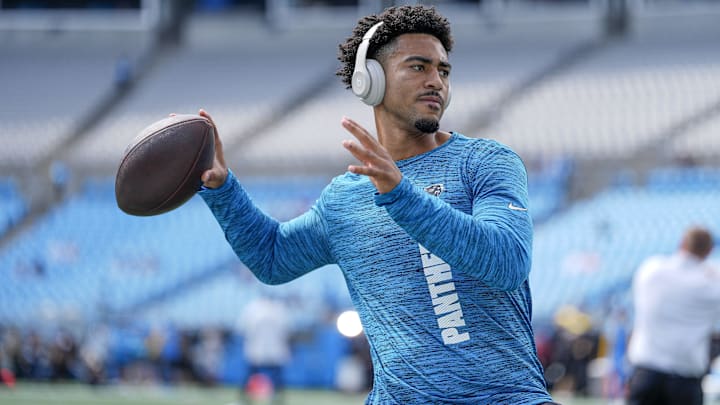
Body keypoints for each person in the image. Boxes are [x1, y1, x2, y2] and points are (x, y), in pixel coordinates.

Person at [197, 5, 555, 404]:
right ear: (371, 80)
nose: (436, 81)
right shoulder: (345, 198)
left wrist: (402, 195)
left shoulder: (485, 162)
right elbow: (272, 257)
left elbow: (507, 261)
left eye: (443, 70)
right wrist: (222, 189)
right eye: (418, 67)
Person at [627, 226, 720, 405]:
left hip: (646, 372)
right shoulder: (712, 287)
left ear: (682, 243)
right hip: (685, 379)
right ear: (709, 251)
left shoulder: (651, 271)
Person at [237, 293, 291, 404]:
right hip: (266, 348)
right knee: (254, 374)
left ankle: (246, 398)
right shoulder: (277, 309)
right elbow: (288, 331)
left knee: (272, 376)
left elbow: (241, 329)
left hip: (265, 349)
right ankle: (247, 398)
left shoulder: (254, 308)